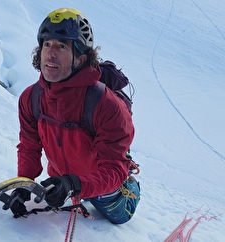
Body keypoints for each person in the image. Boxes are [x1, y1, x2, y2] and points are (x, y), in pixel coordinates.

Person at [10, 7, 140, 224]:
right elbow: (29, 145)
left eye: (62, 46)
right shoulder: (31, 98)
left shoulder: (107, 105)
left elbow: (113, 167)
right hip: (63, 180)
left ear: (80, 58)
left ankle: (132, 187)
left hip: (103, 185)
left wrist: (75, 184)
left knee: (118, 217)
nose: (51, 53)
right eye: (47, 44)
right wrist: (24, 182)